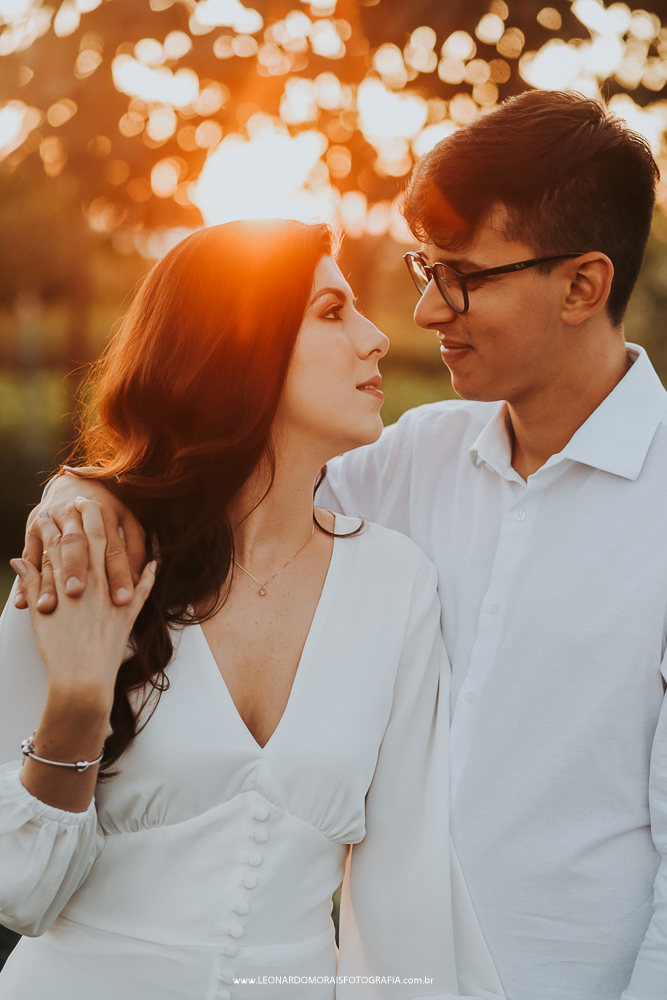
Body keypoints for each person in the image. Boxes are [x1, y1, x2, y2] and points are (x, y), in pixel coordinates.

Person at [28, 90, 667, 1000]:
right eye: (421, 265)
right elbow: (212, 481)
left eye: (460, 275)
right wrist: (77, 493)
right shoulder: (409, 461)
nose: (424, 308)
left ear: (581, 286)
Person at [0, 220, 503, 999]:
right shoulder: (91, 551)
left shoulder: (395, 584)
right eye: (333, 312)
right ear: (236, 347)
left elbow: (405, 895)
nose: (376, 338)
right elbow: (19, 891)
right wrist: (76, 702)